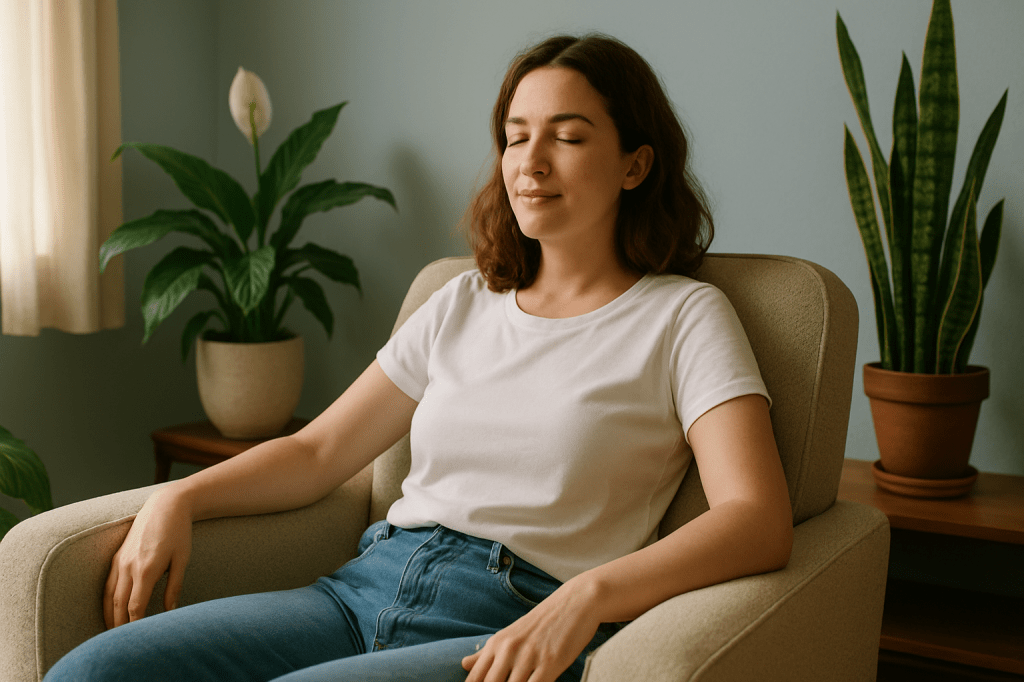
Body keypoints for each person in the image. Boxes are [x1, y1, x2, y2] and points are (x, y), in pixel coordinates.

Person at [46, 33, 792, 682]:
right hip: (362, 589)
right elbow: (317, 452)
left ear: (635, 165)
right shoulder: (462, 300)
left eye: (567, 137)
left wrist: (589, 598)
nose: (531, 163)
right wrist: (177, 499)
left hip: (514, 622)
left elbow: (756, 517)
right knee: (95, 671)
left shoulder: (682, 317)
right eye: (515, 137)